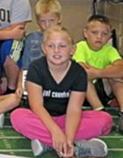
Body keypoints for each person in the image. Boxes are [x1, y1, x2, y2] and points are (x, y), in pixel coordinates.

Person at [11, 26, 112, 157]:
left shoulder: (79, 73)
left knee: (105, 120)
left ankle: (48, 144)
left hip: (68, 119)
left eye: (62, 46)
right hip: (42, 119)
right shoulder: (36, 68)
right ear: (43, 49)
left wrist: (68, 138)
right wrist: (55, 132)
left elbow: (74, 109)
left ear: (72, 49)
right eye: (51, 46)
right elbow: (36, 106)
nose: (56, 51)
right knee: (17, 117)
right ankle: (72, 146)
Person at [73, 15, 123, 134]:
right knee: (82, 76)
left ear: (109, 37)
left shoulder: (110, 50)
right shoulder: (80, 47)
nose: (99, 37)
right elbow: (83, 70)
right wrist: (102, 72)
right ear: (85, 33)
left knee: (116, 72)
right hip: (84, 93)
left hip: (103, 90)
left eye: (104, 34)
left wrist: (98, 72)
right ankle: (100, 111)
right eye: (94, 32)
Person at [20, 0, 62, 70]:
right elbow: (25, 66)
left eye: (51, 20)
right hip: (35, 76)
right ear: (37, 21)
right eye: (43, 21)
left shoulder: (64, 38)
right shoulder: (31, 39)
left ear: (60, 19)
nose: (47, 25)